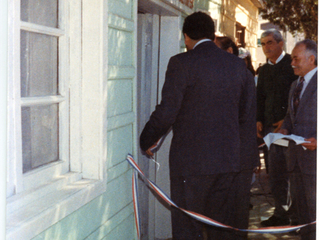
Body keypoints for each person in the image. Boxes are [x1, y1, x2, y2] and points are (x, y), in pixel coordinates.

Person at [140, 12, 259, 240]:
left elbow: (167, 111)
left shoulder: (180, 63)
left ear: (186, 37)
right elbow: (246, 117)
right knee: (220, 226)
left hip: (190, 164)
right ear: (213, 35)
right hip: (228, 163)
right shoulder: (237, 66)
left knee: (188, 228)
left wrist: (146, 139)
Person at [256, 29, 298, 227]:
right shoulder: (263, 71)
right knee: (274, 173)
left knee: (291, 174)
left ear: (280, 44)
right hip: (269, 132)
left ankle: (296, 215)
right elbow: (260, 98)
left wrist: (287, 120)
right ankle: (280, 212)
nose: (267, 47)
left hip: (289, 132)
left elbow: (300, 98)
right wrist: (258, 120)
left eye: (270, 42)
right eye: (263, 44)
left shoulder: (293, 66)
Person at [279, 39, 317, 240]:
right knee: (303, 213)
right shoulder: (295, 84)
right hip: (295, 161)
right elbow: (290, 116)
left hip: (314, 161)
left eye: (296, 58)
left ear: (311, 59)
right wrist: (284, 129)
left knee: (315, 212)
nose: (292, 62)